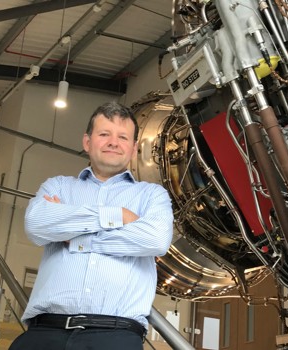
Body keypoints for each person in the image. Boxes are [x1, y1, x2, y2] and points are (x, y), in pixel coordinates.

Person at [9, 102, 174, 350]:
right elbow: (36, 224)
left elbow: (156, 240)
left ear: (133, 149)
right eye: (104, 134)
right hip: (44, 333)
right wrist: (118, 215)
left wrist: (76, 236)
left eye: (122, 137)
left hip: (115, 336)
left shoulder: (152, 195)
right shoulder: (58, 186)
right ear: (87, 142)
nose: (113, 142)